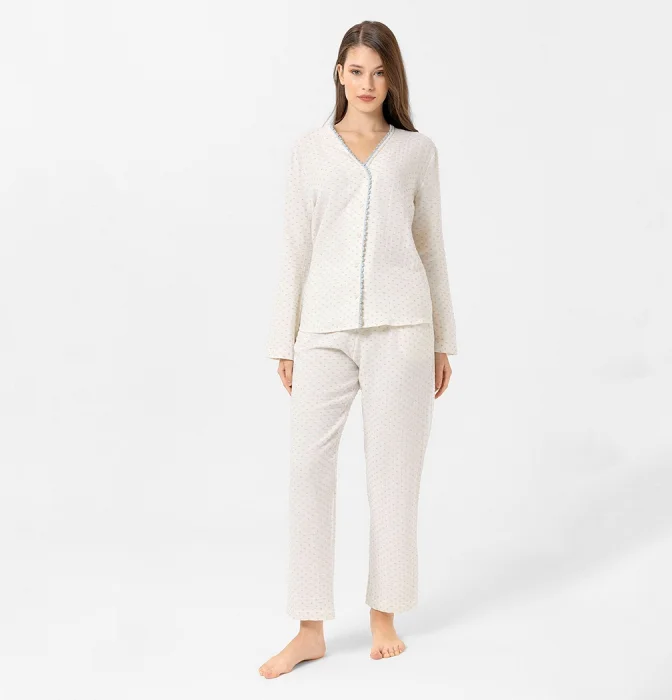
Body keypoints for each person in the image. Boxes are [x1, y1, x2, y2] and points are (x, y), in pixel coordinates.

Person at [259, 20, 458, 679]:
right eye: (356, 71)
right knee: (307, 471)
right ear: (339, 73)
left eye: (379, 72)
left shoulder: (416, 152)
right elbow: (294, 248)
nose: (367, 83)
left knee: (394, 474)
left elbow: (431, 248)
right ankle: (309, 628)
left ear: (392, 78)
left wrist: (444, 340)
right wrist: (284, 340)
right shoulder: (309, 152)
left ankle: (384, 615)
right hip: (323, 330)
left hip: (404, 329)